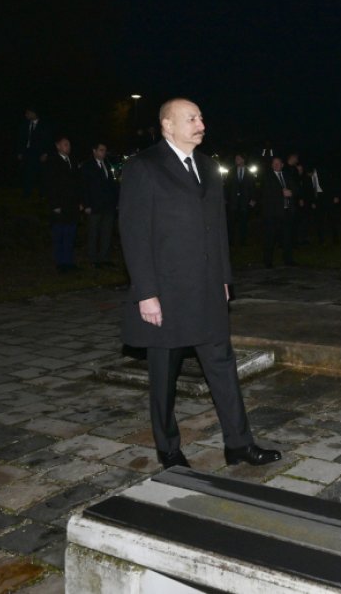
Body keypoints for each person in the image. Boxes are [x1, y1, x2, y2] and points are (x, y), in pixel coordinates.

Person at [119, 98, 280, 469]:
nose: (200, 123)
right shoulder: (144, 167)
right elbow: (134, 234)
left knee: (223, 367)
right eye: (190, 118)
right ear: (167, 126)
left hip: (207, 289)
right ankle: (168, 449)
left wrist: (224, 278)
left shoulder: (208, 167)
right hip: (166, 292)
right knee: (164, 377)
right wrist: (146, 293)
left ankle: (239, 444)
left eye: (201, 117)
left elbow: (218, 230)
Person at [45, 135, 82, 272]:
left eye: (69, 144)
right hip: (60, 204)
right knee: (59, 234)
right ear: (58, 146)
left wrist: (80, 202)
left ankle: (69, 262)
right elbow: (50, 185)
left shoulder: (72, 160)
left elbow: (77, 183)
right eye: (65, 144)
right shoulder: (52, 161)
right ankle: (60, 263)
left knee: (70, 234)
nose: (68, 147)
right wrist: (55, 204)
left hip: (72, 204)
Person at [82, 141, 119, 268]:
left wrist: (115, 202)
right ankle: (93, 258)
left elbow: (112, 186)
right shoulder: (87, 166)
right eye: (101, 150)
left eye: (105, 150)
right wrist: (86, 204)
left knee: (106, 232)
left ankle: (104, 257)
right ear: (94, 151)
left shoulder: (107, 165)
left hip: (108, 205)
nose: (104, 153)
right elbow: (84, 187)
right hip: (94, 205)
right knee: (93, 232)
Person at [261, 156, 297, 268]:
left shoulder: (287, 176)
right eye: (274, 163)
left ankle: (288, 260)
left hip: (286, 212)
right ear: (272, 165)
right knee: (270, 238)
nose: (276, 165)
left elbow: (296, 188)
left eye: (278, 163)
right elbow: (265, 193)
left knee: (287, 237)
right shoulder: (267, 177)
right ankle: (268, 261)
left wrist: (292, 192)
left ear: (282, 165)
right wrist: (281, 193)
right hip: (273, 213)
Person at [18, 109, 52, 197]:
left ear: (34, 113)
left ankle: (42, 194)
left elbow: (48, 140)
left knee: (41, 174)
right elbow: (21, 139)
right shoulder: (25, 124)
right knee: (27, 173)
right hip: (28, 153)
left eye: (28, 113)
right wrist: (20, 152)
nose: (26, 115)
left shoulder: (44, 125)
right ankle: (27, 193)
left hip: (39, 154)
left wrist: (46, 153)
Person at [225, 153, 256, 246]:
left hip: (244, 202)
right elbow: (227, 186)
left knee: (244, 222)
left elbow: (253, 187)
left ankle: (243, 241)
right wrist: (226, 198)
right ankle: (230, 241)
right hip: (233, 201)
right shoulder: (231, 171)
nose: (236, 160)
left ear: (243, 159)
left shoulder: (249, 172)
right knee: (231, 223)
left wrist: (253, 199)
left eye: (238, 158)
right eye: (235, 158)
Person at [309, 163, 340, 244]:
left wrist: (336, 195)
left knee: (332, 217)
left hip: (327, 196)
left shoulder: (323, 172)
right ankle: (321, 239)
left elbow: (333, 182)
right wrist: (313, 201)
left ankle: (335, 237)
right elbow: (310, 190)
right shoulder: (308, 177)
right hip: (318, 198)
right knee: (319, 219)